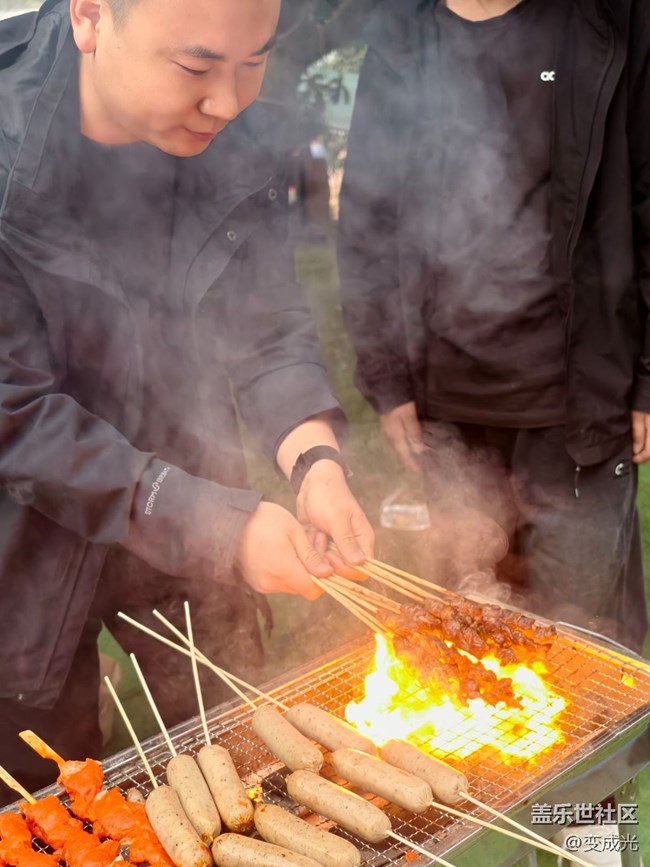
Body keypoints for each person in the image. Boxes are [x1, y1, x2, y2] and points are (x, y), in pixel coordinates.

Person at [0, 0, 374, 803]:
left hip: (186, 517)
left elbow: (267, 323)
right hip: (20, 553)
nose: (230, 103)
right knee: (56, 811)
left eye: (254, 62)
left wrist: (312, 457)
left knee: (238, 772)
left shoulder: (229, 131)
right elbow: (16, 416)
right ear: (91, 15)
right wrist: (221, 521)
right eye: (198, 68)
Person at [339, 2, 649, 862]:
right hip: (451, 418)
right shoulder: (404, 36)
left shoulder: (610, 19)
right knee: (470, 673)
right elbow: (366, 215)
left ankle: (590, 850)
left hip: (581, 407)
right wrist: (387, 377)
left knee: (593, 676)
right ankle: (492, 846)